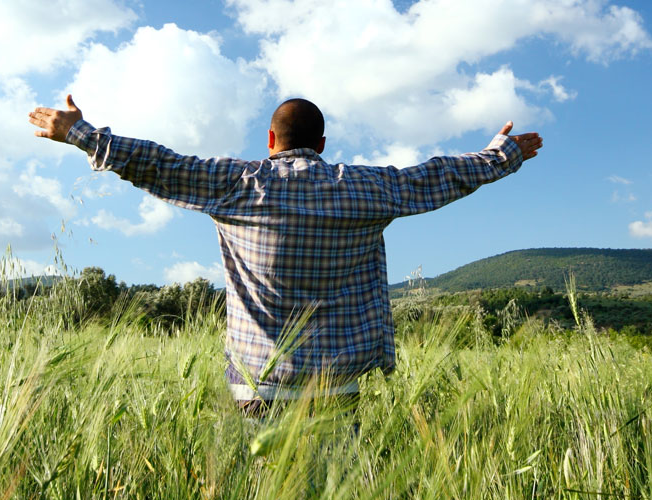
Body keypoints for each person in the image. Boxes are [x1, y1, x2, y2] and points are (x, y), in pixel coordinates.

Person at [29, 95, 543, 416]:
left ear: (271, 140)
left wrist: (78, 132)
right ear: (321, 143)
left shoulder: (236, 183)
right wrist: (503, 152)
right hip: (336, 388)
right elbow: (440, 175)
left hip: (256, 387)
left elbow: (159, 163)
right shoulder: (366, 188)